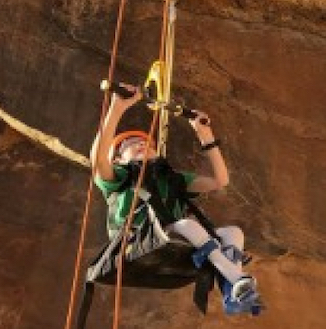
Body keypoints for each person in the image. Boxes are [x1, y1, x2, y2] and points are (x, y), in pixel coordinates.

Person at [89, 83, 260, 314]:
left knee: (233, 233)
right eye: (130, 145)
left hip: (172, 241)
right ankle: (237, 278)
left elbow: (220, 180)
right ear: (118, 159)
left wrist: (205, 135)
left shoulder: (172, 179)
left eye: (146, 143)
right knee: (187, 224)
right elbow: (98, 159)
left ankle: (232, 291)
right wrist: (117, 108)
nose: (141, 145)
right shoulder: (119, 179)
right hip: (134, 244)